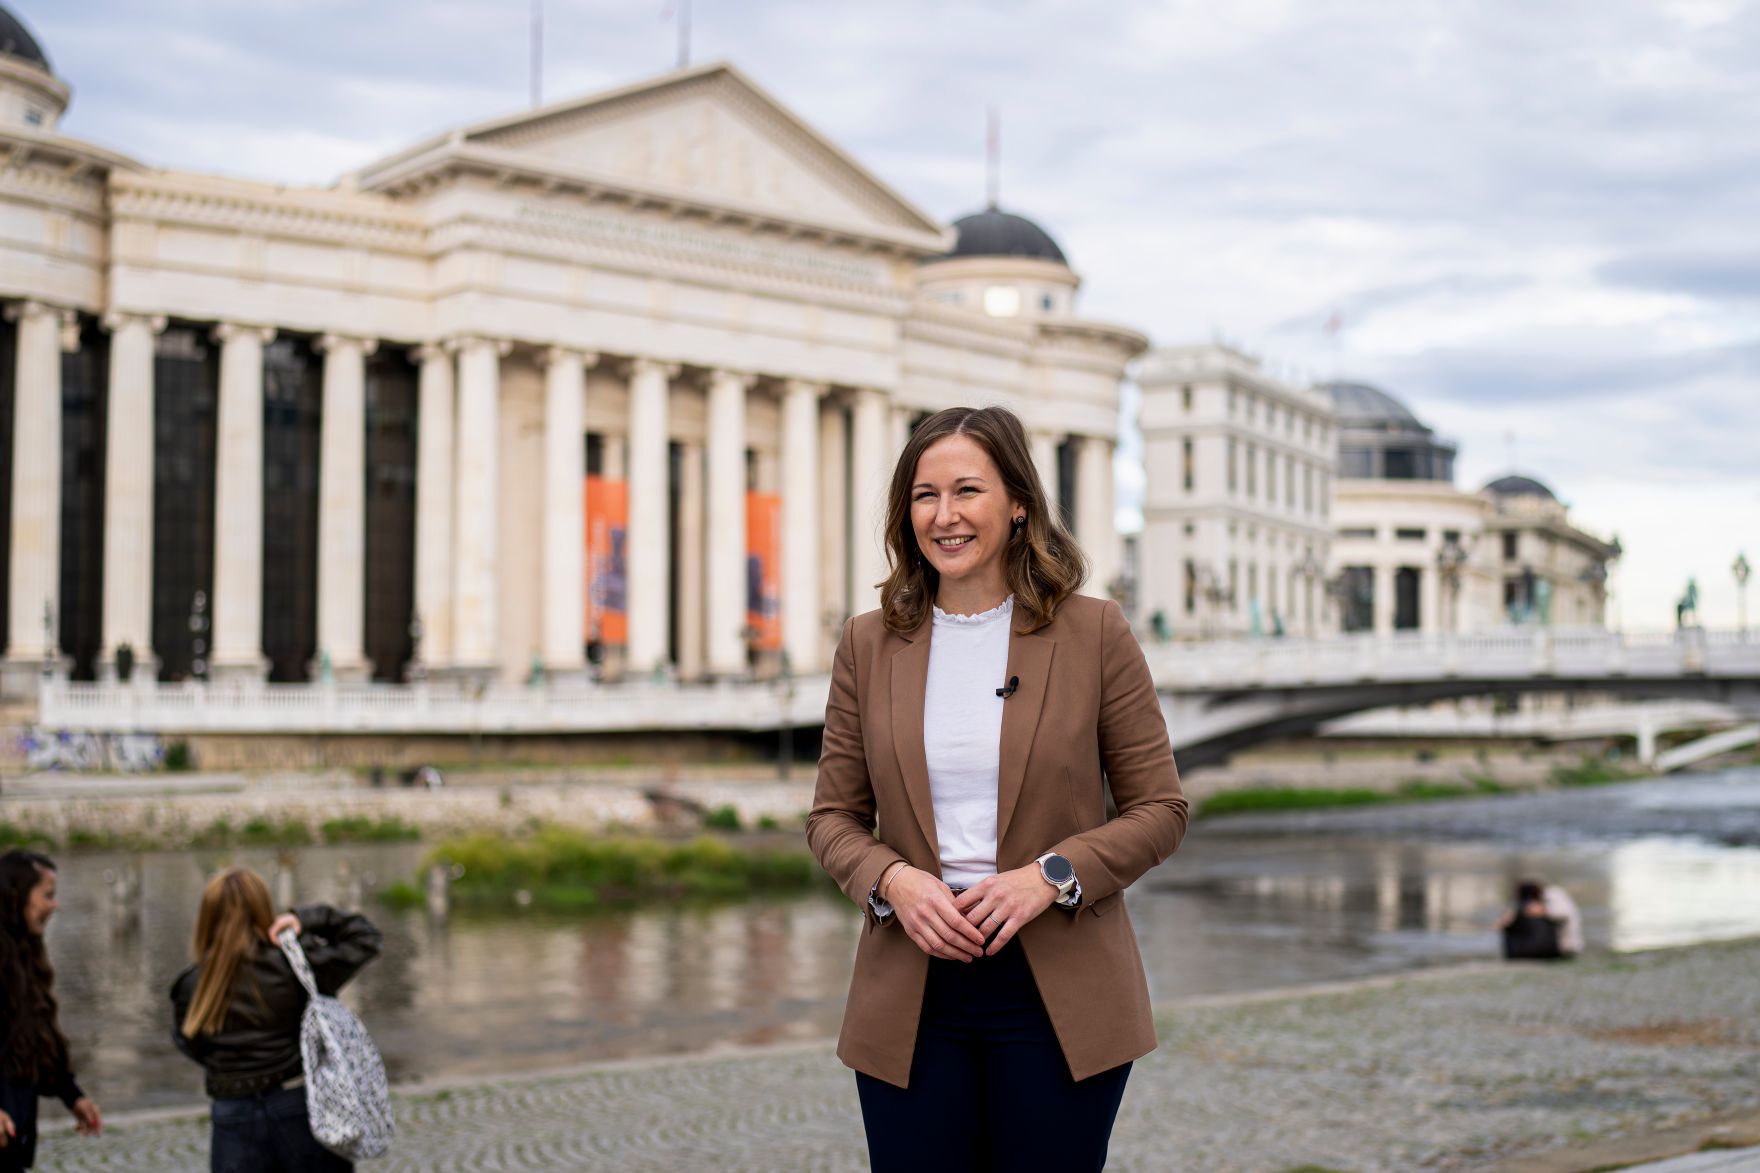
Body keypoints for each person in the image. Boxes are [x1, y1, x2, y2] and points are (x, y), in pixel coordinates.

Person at [807, 405, 1189, 1172]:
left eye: (966, 490)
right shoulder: (868, 641)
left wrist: (1052, 877)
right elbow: (833, 817)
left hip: (1059, 998)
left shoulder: (1095, 632)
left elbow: (1161, 809)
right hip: (911, 994)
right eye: (924, 495)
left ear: (1018, 503)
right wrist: (893, 880)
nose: (943, 515)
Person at [170, 868, 382, 1173]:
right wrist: (305, 919)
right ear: (263, 908)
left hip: (232, 1110)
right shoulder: (296, 965)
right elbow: (366, 938)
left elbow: (188, 1043)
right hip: (298, 1103)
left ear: (207, 917)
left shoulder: (191, 984)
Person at [0, 850, 102, 1171]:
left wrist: (72, 1095)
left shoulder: (24, 951)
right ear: (16, 896)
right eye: (47, 895)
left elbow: (35, 1035)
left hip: (13, 1133)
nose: (54, 905)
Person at [1498, 880, 1563, 961]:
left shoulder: (1517, 908)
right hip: (1550, 952)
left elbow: (1501, 925)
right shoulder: (1546, 908)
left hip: (1523, 953)